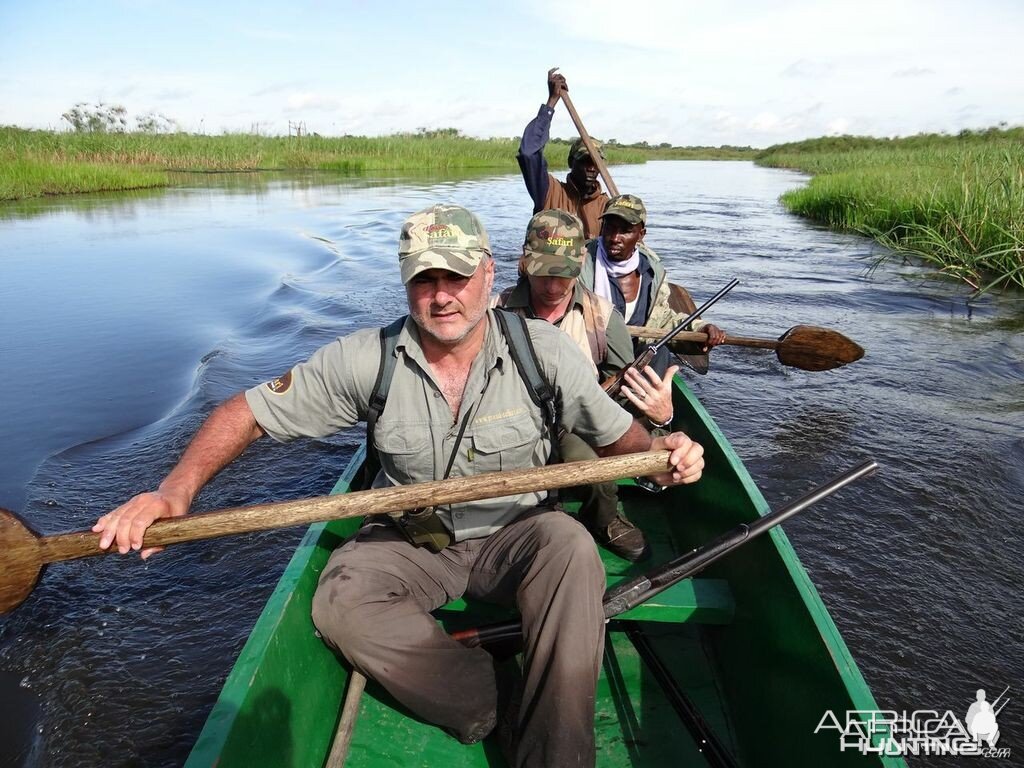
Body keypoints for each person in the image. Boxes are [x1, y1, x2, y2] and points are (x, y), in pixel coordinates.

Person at [92, 204, 706, 768]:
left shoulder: (543, 353)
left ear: (489, 276)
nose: (441, 297)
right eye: (424, 280)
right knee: (340, 599)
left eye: (456, 277)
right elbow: (245, 413)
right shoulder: (368, 358)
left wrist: (663, 450)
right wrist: (176, 492)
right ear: (406, 282)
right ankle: (489, 699)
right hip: (412, 541)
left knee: (572, 548)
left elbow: (618, 442)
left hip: (516, 533)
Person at [494, 208, 679, 562]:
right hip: (508, 418)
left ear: (580, 260)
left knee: (590, 457)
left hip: (573, 424)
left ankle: (604, 518)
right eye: (543, 272)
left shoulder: (601, 317)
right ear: (524, 260)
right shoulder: (495, 310)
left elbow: (626, 392)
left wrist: (659, 417)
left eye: (563, 274)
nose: (552, 287)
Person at [580, 193, 728, 349]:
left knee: (660, 355)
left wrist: (700, 329)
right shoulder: (580, 261)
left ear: (641, 235)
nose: (615, 238)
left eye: (625, 230)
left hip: (635, 357)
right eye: (609, 227)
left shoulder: (651, 271)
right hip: (589, 355)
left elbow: (662, 320)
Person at [517, 69, 609, 238]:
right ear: (570, 162)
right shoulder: (549, 191)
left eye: (595, 163)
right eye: (584, 161)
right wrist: (551, 103)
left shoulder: (607, 207)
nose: (591, 168)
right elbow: (528, 153)